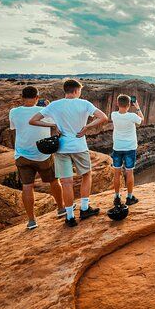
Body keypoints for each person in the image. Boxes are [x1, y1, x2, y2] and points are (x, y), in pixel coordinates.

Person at [29, 79, 108, 227]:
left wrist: (53, 124)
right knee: (86, 175)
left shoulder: (54, 105)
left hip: (62, 148)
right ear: (77, 91)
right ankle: (84, 209)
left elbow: (33, 120)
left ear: (65, 90)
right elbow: (103, 117)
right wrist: (87, 127)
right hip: (79, 146)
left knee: (66, 183)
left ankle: (70, 217)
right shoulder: (84, 104)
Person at [9, 86, 65, 230]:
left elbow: (14, 129)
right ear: (37, 98)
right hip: (42, 153)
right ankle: (61, 208)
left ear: (22, 97)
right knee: (54, 181)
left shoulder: (13, 112)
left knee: (27, 186)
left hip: (22, 154)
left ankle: (32, 220)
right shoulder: (44, 111)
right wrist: (47, 107)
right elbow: (57, 124)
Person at [110, 94, 144, 207]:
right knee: (129, 172)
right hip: (130, 148)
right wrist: (137, 107)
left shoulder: (113, 115)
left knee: (117, 173)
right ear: (129, 105)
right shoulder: (132, 116)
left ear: (117, 103)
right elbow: (141, 120)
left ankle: (117, 197)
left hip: (117, 148)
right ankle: (129, 197)